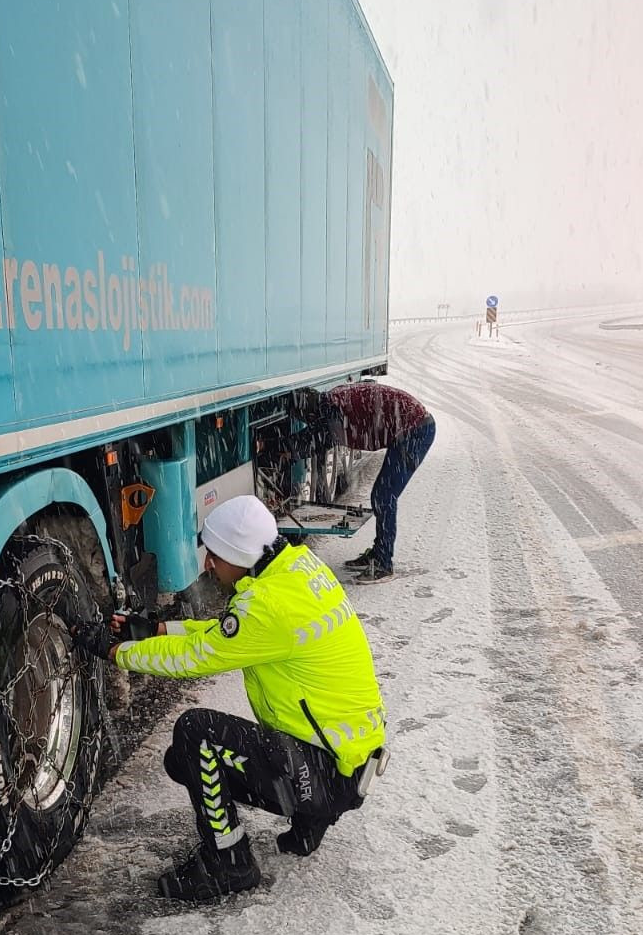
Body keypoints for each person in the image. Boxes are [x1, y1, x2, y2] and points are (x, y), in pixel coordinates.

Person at [71, 495, 387, 903]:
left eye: (215, 555)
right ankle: (312, 819)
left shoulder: (266, 606)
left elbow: (199, 656)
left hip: (323, 773)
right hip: (348, 762)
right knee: (186, 758)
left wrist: (116, 652)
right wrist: (157, 630)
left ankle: (229, 862)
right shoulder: (294, 571)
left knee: (194, 737)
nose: (207, 565)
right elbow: (226, 633)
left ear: (239, 554)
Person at [322, 380, 436, 580]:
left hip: (415, 432)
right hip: (407, 428)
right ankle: (378, 553)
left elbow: (326, 439)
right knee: (381, 495)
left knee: (384, 496)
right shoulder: (334, 403)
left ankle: (384, 563)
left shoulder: (341, 411)